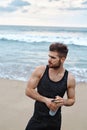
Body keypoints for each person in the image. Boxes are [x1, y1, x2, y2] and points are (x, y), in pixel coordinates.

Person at [25, 42, 76, 130]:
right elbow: (28, 90)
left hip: (54, 123)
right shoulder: (40, 70)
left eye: (53, 58)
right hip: (37, 120)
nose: (49, 60)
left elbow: (72, 100)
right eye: (49, 56)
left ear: (62, 59)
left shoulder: (69, 78)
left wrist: (63, 101)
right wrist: (46, 100)